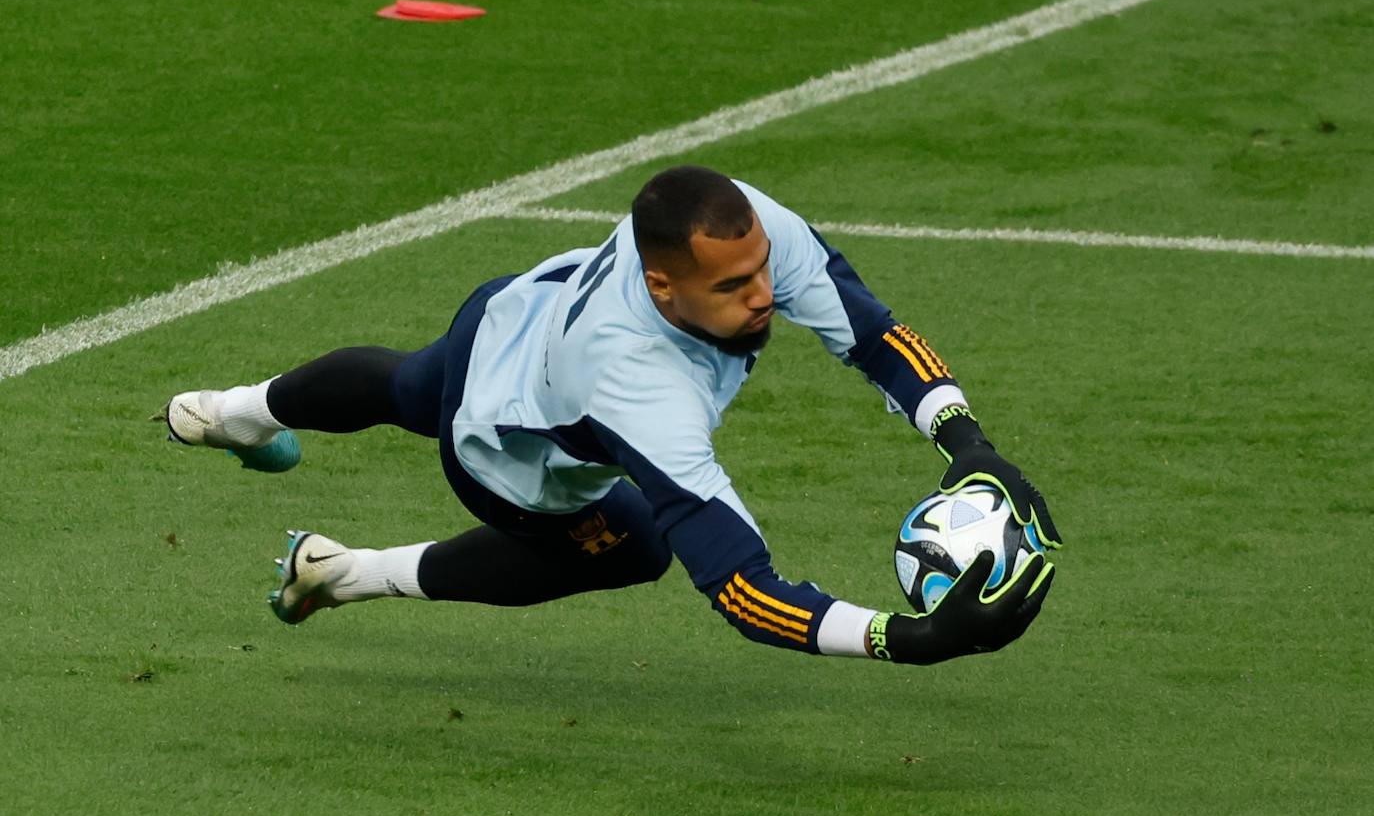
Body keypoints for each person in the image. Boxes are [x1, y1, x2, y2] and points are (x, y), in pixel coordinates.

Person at [163, 165, 1060, 666]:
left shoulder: (746, 227)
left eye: (761, 271)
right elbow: (743, 588)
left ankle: (231, 412)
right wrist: (906, 637)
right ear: (662, 284)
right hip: (508, 448)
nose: (765, 296)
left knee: (406, 387)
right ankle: (348, 573)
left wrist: (968, 443)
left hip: (514, 313)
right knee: (636, 544)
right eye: (734, 287)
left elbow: (871, 334)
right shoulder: (642, 390)